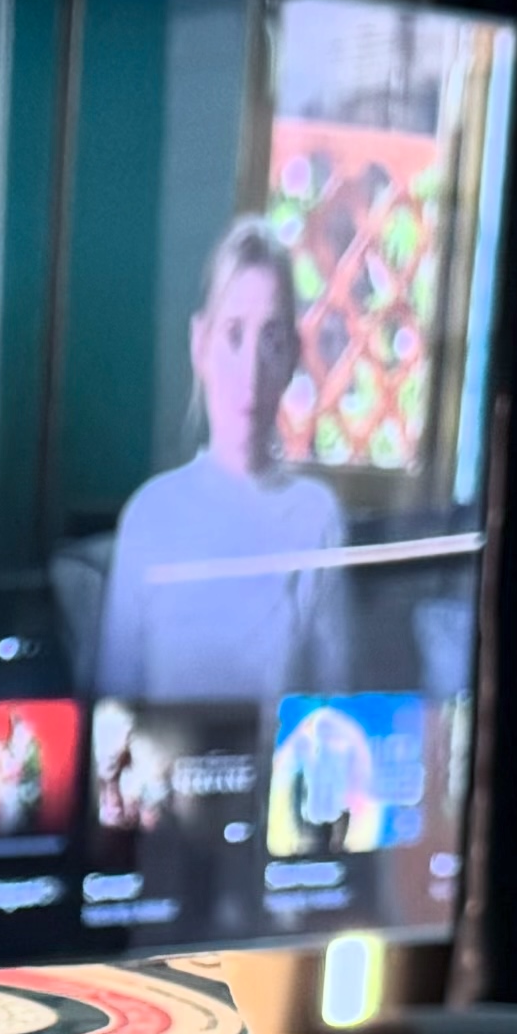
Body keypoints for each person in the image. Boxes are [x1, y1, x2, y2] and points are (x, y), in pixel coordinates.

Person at [97, 216, 355, 703]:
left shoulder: (317, 518)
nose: (251, 370)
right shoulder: (150, 516)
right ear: (201, 344)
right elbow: (111, 713)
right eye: (234, 335)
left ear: (293, 357)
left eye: (272, 340)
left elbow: (334, 710)